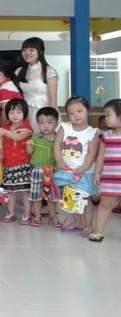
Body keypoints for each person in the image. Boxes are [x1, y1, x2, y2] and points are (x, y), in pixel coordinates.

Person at [54, 96, 99, 236]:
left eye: (79, 111)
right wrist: (59, 161)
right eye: (71, 113)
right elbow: (57, 145)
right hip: (67, 171)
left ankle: (88, 224)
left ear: (88, 112)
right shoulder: (65, 127)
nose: (76, 115)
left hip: (84, 172)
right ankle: (78, 222)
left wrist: (84, 168)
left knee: (85, 199)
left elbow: (92, 153)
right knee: (70, 197)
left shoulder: (92, 132)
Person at [0, 98, 33, 225]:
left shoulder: (26, 127)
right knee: (9, 192)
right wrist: (0, 155)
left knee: (24, 192)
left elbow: (18, 137)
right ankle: (10, 213)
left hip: (23, 164)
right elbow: (1, 143)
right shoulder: (5, 127)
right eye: (11, 112)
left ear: (24, 113)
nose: (15, 115)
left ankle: (27, 215)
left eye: (18, 112)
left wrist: (4, 132)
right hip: (8, 164)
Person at [26, 107, 62, 228]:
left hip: (52, 170)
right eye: (42, 123)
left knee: (51, 196)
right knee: (36, 195)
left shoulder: (58, 138)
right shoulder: (35, 137)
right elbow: (29, 152)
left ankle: (53, 216)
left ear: (56, 123)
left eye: (49, 122)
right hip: (37, 169)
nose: (45, 126)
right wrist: (29, 145)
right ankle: (37, 216)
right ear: (38, 124)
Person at [92, 99, 121, 242]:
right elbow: (101, 155)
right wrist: (97, 172)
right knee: (105, 204)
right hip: (110, 178)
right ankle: (98, 230)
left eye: (109, 115)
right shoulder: (106, 136)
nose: (105, 118)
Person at [16, 37, 59, 132]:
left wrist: (50, 120)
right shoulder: (19, 71)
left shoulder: (49, 72)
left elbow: (53, 98)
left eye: (31, 50)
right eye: (24, 50)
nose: (27, 53)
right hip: (25, 112)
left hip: (44, 111)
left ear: (40, 51)